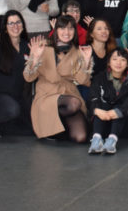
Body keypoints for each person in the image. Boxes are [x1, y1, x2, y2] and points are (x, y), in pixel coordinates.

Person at [24, 15, 91, 143]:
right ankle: (53, 125)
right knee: (74, 103)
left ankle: (58, 128)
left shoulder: (77, 51)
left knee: (81, 137)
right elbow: (28, 77)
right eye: (62, 28)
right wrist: (35, 58)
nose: (67, 32)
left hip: (69, 93)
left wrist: (86, 61)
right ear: (56, 30)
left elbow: (82, 80)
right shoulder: (42, 46)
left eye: (70, 28)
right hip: (47, 95)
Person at [87, 47, 128, 154]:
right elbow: (92, 97)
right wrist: (97, 110)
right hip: (105, 123)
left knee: (119, 106)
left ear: (127, 64)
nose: (118, 63)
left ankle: (112, 140)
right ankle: (97, 139)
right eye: (115, 59)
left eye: (123, 60)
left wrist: (117, 112)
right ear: (109, 62)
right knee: (101, 106)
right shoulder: (100, 77)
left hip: (126, 126)